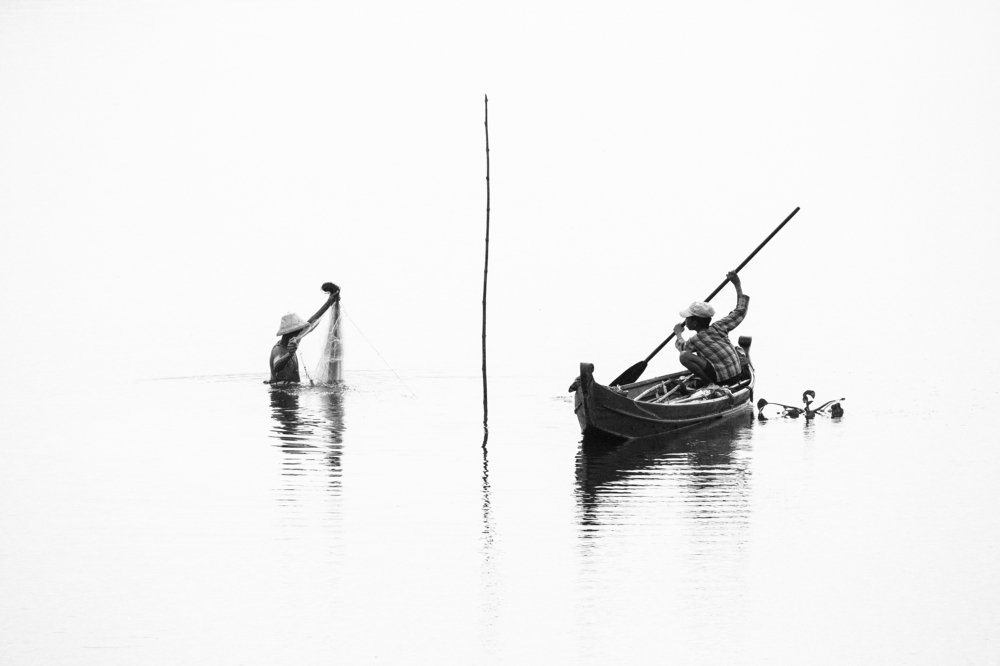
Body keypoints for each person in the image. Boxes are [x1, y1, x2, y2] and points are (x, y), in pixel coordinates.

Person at [673, 271, 748, 387]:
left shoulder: (695, 340)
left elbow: (683, 348)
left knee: (684, 356)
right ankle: (713, 381)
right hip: (738, 373)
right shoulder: (719, 326)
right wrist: (737, 284)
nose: (685, 320)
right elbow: (740, 310)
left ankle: (711, 383)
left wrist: (678, 333)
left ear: (695, 322)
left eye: (687, 318)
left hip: (724, 380)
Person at [269, 284, 340, 385]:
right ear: (289, 334)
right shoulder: (278, 350)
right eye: (298, 331)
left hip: (293, 392)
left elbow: (310, 324)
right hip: (280, 396)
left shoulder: (294, 340)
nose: (301, 333)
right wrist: (289, 354)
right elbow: (277, 366)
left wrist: (329, 302)